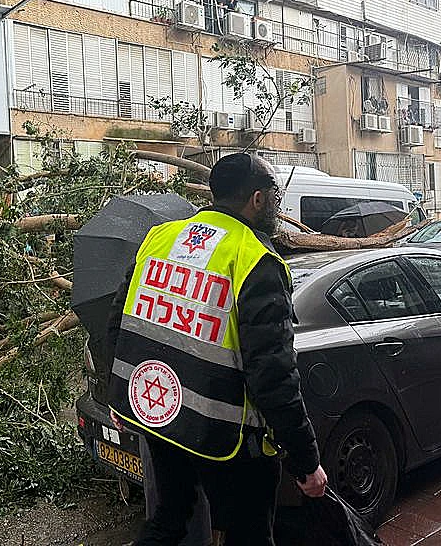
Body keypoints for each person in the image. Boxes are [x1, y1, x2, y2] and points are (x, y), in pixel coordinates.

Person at [106, 153, 326, 546]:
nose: (277, 204)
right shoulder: (255, 258)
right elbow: (273, 374)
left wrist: (118, 395)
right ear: (258, 199)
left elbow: (117, 322)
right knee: (249, 535)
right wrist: (306, 460)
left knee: (169, 520)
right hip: (230, 439)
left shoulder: (160, 238)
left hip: (163, 416)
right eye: (275, 195)